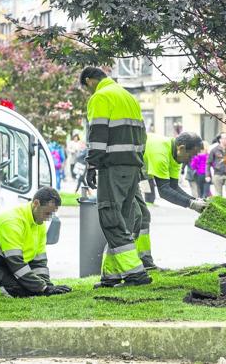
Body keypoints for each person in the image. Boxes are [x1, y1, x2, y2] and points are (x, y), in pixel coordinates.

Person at [80, 66, 152, 288]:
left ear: (89, 80)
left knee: (111, 218)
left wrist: (92, 164)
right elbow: (143, 135)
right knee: (123, 218)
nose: (87, 93)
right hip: (131, 166)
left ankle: (135, 273)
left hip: (113, 166)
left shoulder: (101, 97)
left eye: (85, 88)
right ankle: (111, 275)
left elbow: (98, 134)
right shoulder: (127, 96)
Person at [133, 132, 208, 269]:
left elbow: (173, 187)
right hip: (123, 172)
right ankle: (131, 263)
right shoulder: (161, 151)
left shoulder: (176, 155)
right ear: (182, 148)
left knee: (143, 216)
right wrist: (192, 204)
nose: (191, 160)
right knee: (136, 217)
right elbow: (164, 191)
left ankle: (145, 262)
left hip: (133, 176)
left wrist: (194, 200)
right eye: (191, 155)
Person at [0, 187, 71, 297]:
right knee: (25, 289)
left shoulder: (39, 222)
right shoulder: (12, 222)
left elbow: (39, 262)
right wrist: (43, 288)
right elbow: (16, 263)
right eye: (47, 213)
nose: (49, 218)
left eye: (52, 214)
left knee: (33, 288)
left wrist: (48, 286)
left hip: (7, 265)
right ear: (36, 203)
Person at [205, 132, 226, 199]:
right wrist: (207, 175)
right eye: (225, 138)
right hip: (217, 174)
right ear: (220, 140)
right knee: (218, 195)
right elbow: (208, 163)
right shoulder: (214, 150)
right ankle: (220, 208)